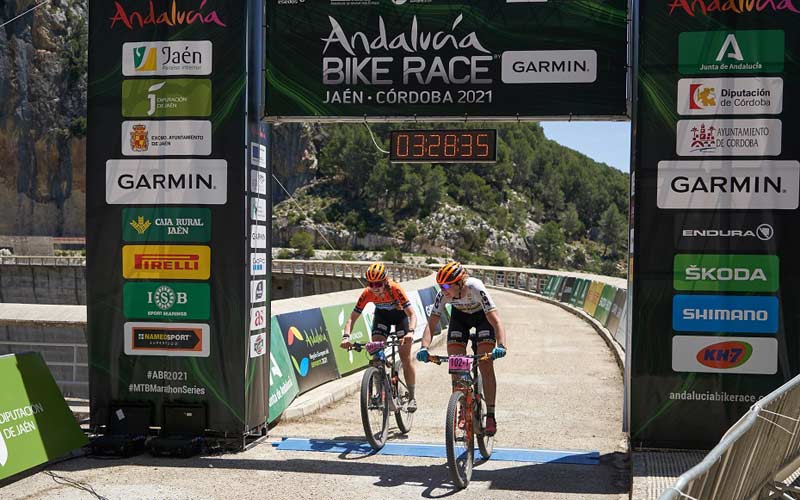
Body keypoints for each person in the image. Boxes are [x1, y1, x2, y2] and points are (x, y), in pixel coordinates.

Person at [416, 261, 507, 435]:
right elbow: (432, 322)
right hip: (460, 320)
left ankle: (491, 414)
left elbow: (495, 319)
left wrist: (501, 345)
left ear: (459, 283)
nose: (443, 290)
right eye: (440, 286)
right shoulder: (443, 295)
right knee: (457, 365)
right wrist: (423, 347)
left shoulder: (475, 287)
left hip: (483, 319)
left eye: (446, 286)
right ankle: (461, 406)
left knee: (485, 363)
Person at [340, 262, 418, 412]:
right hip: (382, 318)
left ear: (385, 281)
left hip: (400, 318)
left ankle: (412, 397)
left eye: (378, 284)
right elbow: (352, 318)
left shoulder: (395, 288)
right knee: (376, 355)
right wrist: (346, 337)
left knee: (405, 358)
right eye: (371, 284)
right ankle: (379, 392)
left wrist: (411, 332)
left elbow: (412, 314)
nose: (375, 288)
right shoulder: (367, 293)